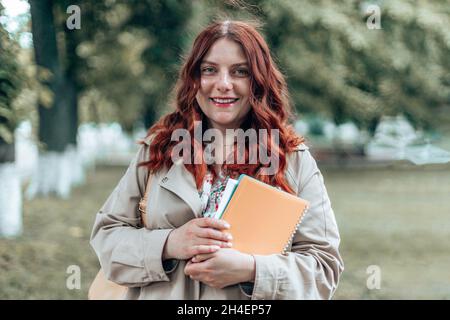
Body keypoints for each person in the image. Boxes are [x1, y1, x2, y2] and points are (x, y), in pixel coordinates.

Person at [90, 19, 344, 300]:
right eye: (209, 70)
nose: (223, 84)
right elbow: (107, 237)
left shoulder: (293, 159)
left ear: (259, 81)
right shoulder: (158, 150)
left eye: (240, 72)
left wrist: (252, 270)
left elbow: (323, 269)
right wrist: (169, 243)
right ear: (194, 79)